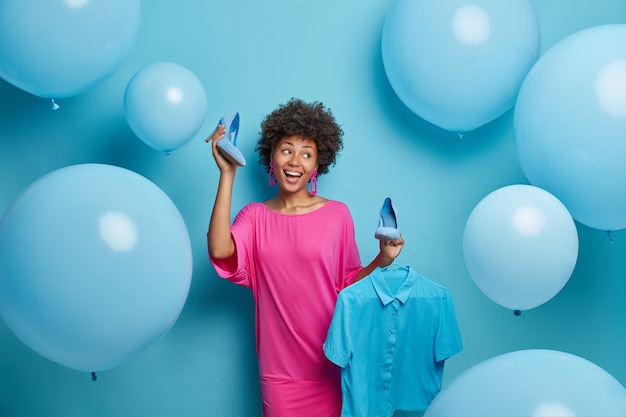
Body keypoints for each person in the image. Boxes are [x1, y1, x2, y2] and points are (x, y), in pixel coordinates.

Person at [206, 98, 404, 417]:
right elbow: (219, 250)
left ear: (317, 164)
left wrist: (380, 261)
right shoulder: (254, 217)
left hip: (331, 362)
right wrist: (227, 174)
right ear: (271, 156)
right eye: (286, 150)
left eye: (306, 154)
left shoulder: (337, 215)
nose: (295, 161)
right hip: (280, 373)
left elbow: (347, 284)